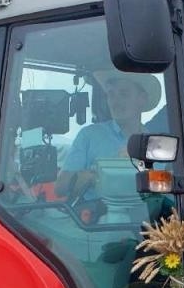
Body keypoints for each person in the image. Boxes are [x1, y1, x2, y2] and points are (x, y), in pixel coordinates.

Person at [54, 70, 164, 213]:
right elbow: (60, 188)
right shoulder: (89, 135)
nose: (115, 102)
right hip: (94, 225)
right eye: (111, 95)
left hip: (141, 223)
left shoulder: (156, 145)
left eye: (123, 94)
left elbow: (160, 195)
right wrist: (94, 176)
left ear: (141, 99)